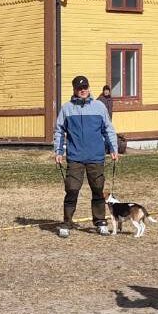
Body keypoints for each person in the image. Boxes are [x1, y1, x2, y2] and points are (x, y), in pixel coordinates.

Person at [53, 75, 119, 237]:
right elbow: (59, 130)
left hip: (96, 157)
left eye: (85, 87)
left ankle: (100, 222)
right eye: (79, 88)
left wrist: (113, 148)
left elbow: (108, 129)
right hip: (75, 157)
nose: (83, 90)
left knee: (98, 189)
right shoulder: (67, 108)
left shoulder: (99, 107)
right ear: (74, 90)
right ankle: (67, 223)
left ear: (89, 88)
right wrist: (58, 151)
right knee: (72, 189)